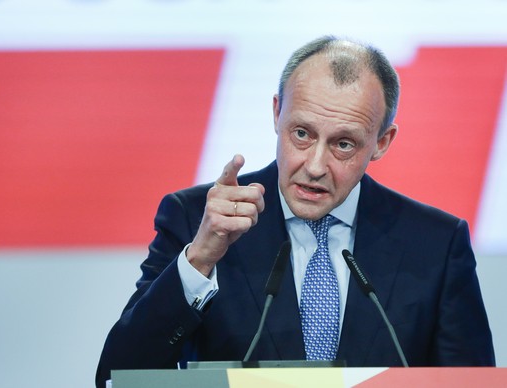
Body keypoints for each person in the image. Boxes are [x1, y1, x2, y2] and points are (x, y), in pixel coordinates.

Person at [96, 36, 495, 387]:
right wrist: (199, 259)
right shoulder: (195, 219)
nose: (316, 165)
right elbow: (119, 375)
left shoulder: (435, 243)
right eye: (301, 134)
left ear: (382, 142)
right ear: (276, 114)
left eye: (343, 144)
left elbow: (471, 384)